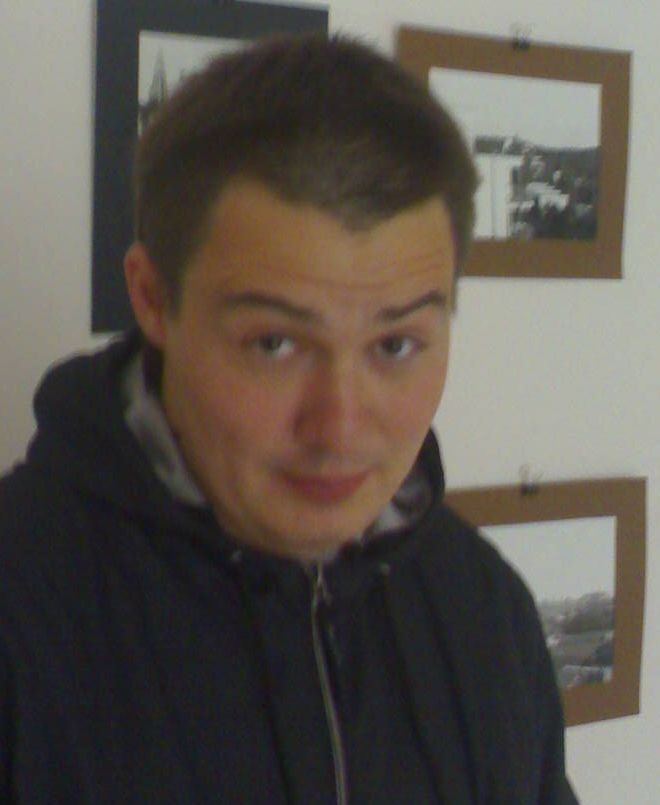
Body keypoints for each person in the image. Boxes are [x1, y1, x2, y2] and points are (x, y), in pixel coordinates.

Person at [0, 33, 578, 803]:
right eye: (274, 343)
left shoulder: (485, 607)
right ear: (153, 298)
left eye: (395, 344)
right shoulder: (22, 610)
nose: (339, 428)